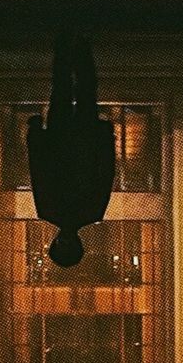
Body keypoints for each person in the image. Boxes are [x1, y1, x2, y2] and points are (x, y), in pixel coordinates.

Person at [27, 34, 115, 267]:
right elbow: (38, 171)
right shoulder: (48, 210)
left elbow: (106, 173)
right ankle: (67, 45)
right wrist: (35, 135)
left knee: (79, 91)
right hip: (66, 141)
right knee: (65, 90)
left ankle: (78, 45)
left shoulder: (92, 212)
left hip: (80, 142)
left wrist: (106, 138)